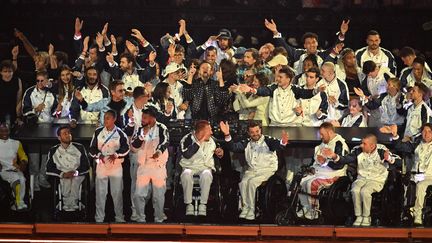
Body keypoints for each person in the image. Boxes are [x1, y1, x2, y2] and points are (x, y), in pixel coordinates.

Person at [323, 134, 399, 226]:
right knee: (355, 190)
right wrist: (334, 156)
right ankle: (358, 216)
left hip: (376, 180)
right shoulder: (358, 151)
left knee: (365, 191)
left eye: (364, 144)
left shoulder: (382, 151)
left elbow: (399, 162)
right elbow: (345, 159)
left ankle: (367, 217)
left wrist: (389, 158)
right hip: (361, 179)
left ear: (372, 145)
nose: (361, 145)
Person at [220, 120, 289, 220]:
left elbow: (279, 146)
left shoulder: (268, 141)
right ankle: (245, 208)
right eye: (252, 132)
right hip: (252, 170)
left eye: (257, 131)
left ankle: (252, 210)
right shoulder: (247, 142)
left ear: (260, 130)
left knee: (252, 183)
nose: (255, 134)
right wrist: (227, 134)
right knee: (243, 183)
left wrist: (283, 142)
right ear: (249, 133)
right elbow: (234, 147)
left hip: (267, 170)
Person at [297, 122, 349, 219]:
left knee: (312, 183)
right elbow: (316, 160)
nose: (321, 137)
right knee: (301, 180)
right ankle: (306, 206)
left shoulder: (339, 144)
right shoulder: (323, 144)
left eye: (322, 134)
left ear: (329, 132)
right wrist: (311, 168)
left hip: (334, 174)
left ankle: (314, 210)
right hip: (320, 172)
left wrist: (325, 162)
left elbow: (339, 164)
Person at [264, 18, 348, 74]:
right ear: (304, 45)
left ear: (317, 44)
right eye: (308, 43)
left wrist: (342, 33)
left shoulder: (323, 55)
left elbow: (335, 47)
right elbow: (284, 46)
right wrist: (275, 31)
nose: (311, 45)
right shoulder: (298, 54)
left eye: (313, 42)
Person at [238, 66, 315, 126]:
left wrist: (317, 91)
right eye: (277, 76)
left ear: (288, 79)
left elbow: (306, 94)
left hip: (291, 125)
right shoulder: (273, 88)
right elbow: (264, 91)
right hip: (275, 125)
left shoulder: (295, 89)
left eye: (280, 77)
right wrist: (251, 90)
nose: (277, 79)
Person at [129, 107, 169, 223]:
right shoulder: (140, 129)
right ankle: (140, 218)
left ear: (152, 118)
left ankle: (159, 218)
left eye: (145, 118)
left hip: (158, 165)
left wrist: (159, 151)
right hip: (144, 165)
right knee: (138, 194)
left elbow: (165, 141)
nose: (142, 120)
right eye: (142, 117)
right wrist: (142, 136)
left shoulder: (162, 128)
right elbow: (134, 146)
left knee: (158, 196)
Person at [89, 110, 129, 223]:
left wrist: (117, 154)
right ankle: (99, 218)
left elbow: (126, 148)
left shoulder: (120, 133)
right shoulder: (98, 132)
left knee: (117, 193)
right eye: (104, 117)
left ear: (114, 119)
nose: (105, 120)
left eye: (108, 118)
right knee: (100, 194)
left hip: (115, 165)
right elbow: (91, 148)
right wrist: (98, 154)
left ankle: (119, 218)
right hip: (102, 165)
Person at [179, 120, 224, 216]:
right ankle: (189, 204)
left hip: (205, 166)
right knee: (186, 174)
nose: (211, 132)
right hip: (189, 166)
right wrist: (199, 142)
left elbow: (219, 148)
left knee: (206, 175)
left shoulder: (212, 140)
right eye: (209, 130)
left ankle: (203, 204)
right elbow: (187, 154)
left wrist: (220, 152)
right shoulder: (187, 139)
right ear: (202, 132)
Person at [392, 123, 432, 225]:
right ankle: (405, 212)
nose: (426, 134)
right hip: (417, 175)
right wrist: (395, 135)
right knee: (404, 182)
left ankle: (417, 214)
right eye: (424, 132)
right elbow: (400, 146)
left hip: (429, 176)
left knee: (420, 185)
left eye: (429, 132)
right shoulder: (416, 145)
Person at [46, 126, 90, 211]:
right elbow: (48, 168)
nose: (68, 135)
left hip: (77, 174)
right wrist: (62, 174)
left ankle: (73, 204)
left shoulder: (79, 147)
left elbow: (86, 165)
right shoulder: (53, 150)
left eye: (69, 133)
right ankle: (66, 203)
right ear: (59, 137)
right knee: (66, 181)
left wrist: (76, 172)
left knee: (74, 181)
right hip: (63, 174)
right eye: (65, 133)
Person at [0, 123, 28, 210]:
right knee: (16, 179)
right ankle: (18, 203)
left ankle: (18, 201)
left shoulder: (16, 143)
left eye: (6, 131)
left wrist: (23, 162)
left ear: (9, 131)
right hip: (3, 170)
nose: (4, 133)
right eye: (2, 131)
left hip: (15, 168)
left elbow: (23, 155)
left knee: (22, 179)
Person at [0, 59, 23, 126]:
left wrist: (18, 116)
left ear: (13, 72)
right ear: (1, 72)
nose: (8, 74)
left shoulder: (17, 80)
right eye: (5, 71)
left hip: (13, 109)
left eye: (10, 71)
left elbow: (19, 99)